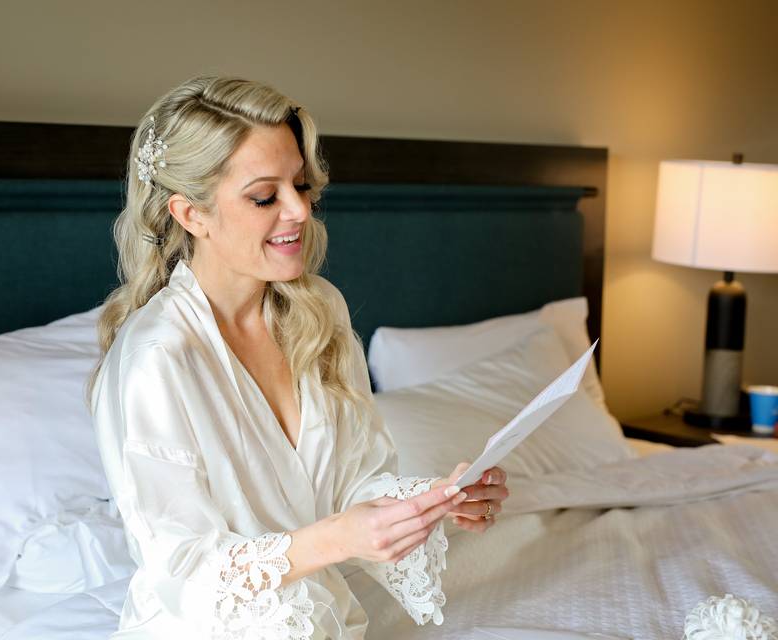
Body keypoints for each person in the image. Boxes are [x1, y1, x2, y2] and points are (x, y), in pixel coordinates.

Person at [89, 75, 509, 640]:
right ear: (191, 215)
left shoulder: (318, 313)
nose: (299, 211)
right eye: (265, 196)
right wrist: (338, 538)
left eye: (302, 185)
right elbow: (185, 575)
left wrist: (434, 502)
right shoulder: (157, 360)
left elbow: (352, 482)